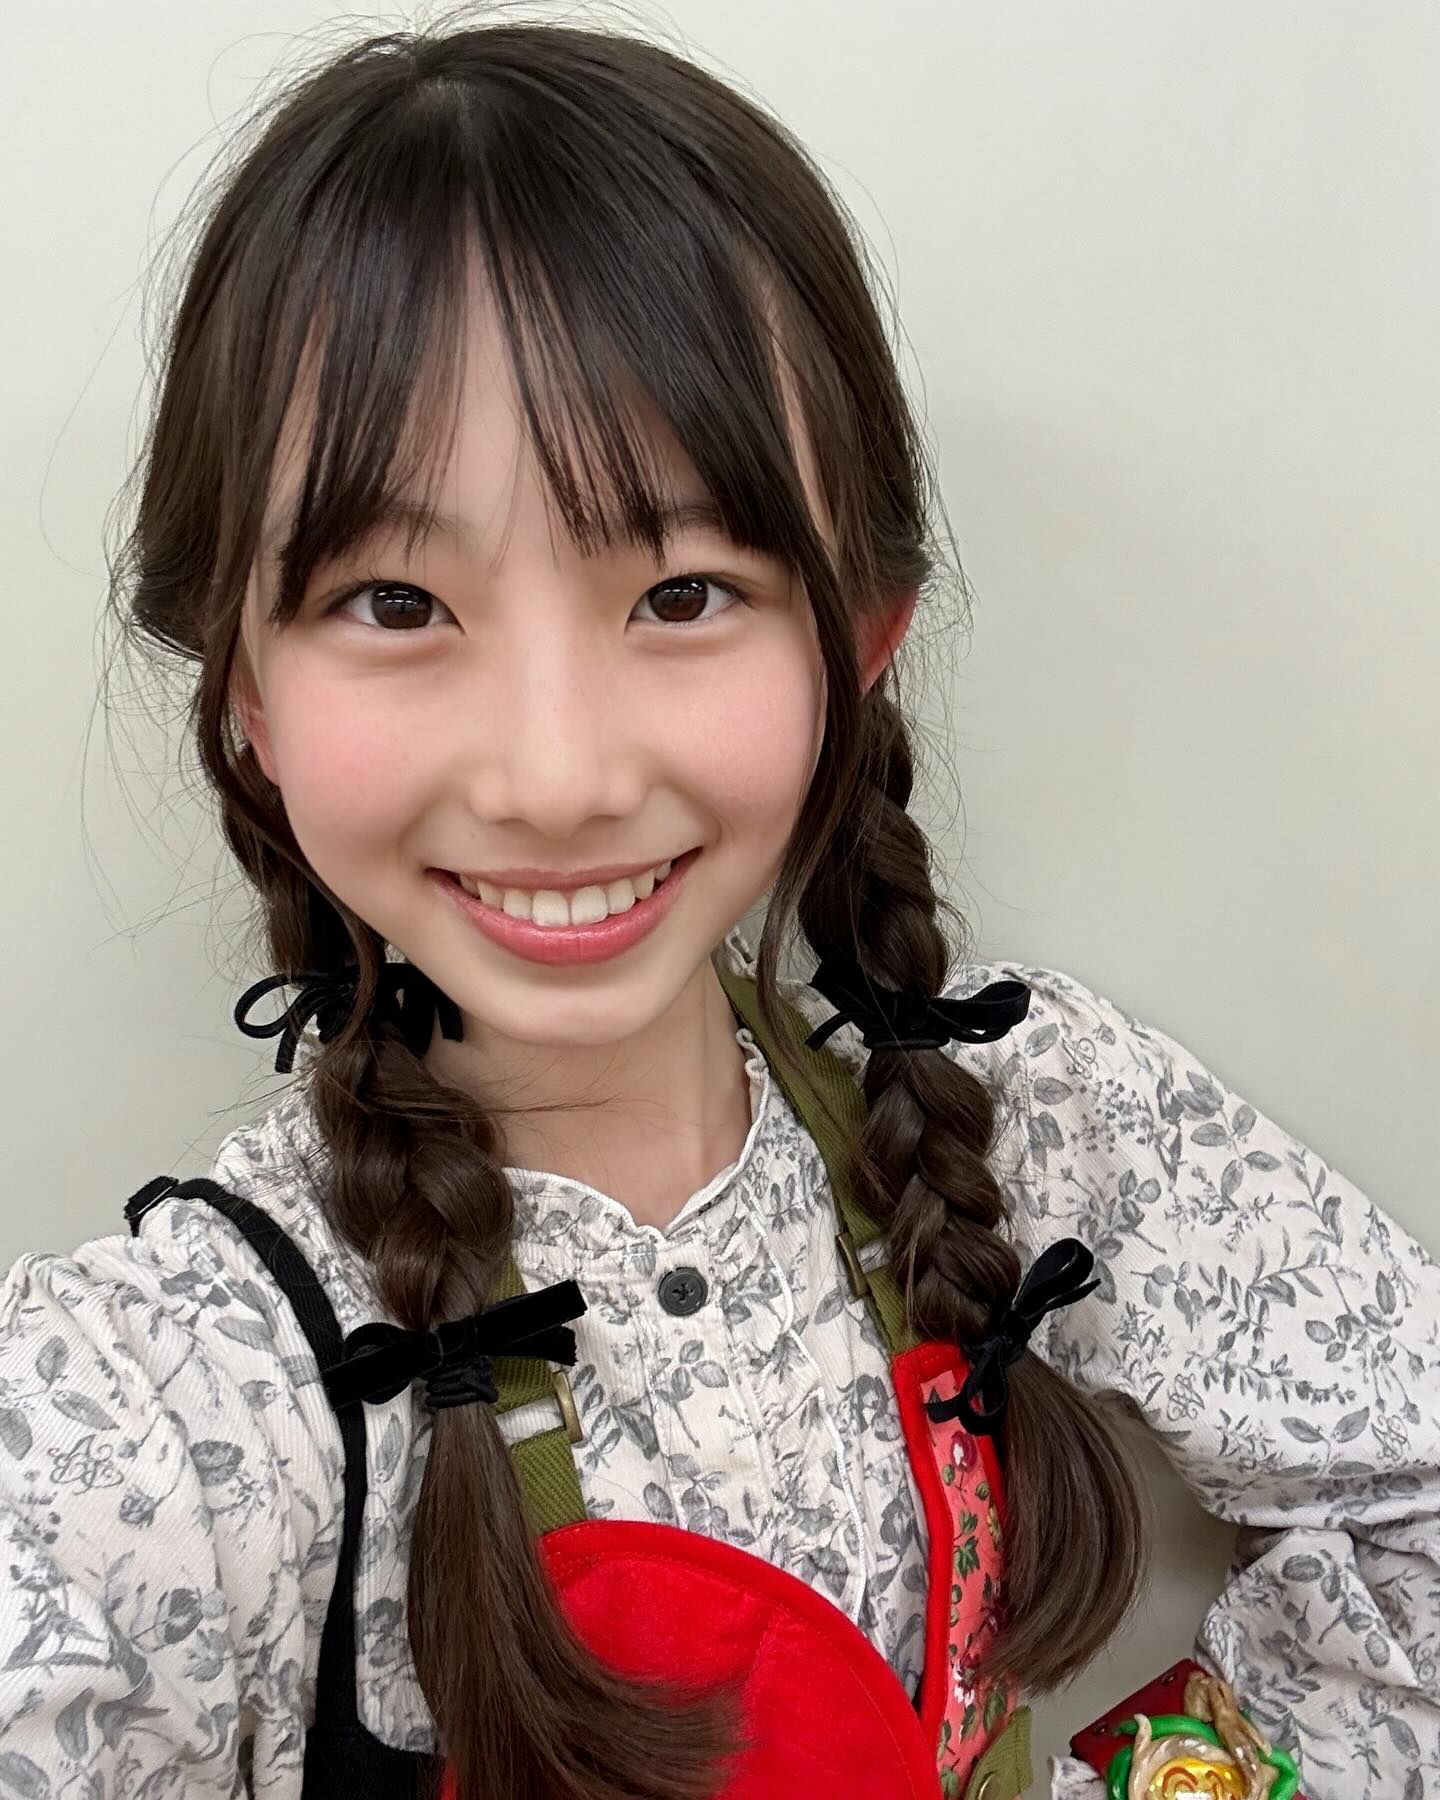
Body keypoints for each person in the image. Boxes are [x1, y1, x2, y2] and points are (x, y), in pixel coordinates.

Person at [1, 18, 1433, 1800]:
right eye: (394, 602)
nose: (556, 775)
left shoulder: (1039, 1114)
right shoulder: (161, 1404)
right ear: (247, 694)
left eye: (680, 592)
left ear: (859, 642)